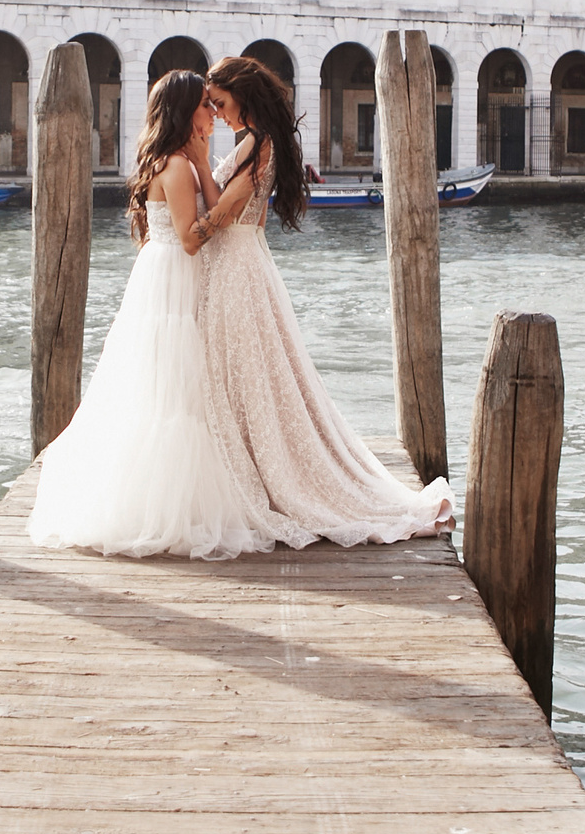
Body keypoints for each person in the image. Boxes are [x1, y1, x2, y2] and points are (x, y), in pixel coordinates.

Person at [29, 70, 301, 561]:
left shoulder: (186, 163)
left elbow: (213, 219)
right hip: (174, 275)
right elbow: (194, 239)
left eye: (214, 103)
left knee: (184, 390)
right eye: (203, 105)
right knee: (174, 392)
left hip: (173, 272)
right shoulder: (176, 168)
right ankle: (166, 505)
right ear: (183, 113)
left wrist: (205, 167)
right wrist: (201, 168)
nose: (212, 113)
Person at [191, 55, 451, 544]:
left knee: (241, 374)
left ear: (244, 96)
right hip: (245, 262)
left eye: (221, 103)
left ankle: (257, 476)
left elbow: (224, 215)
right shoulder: (260, 142)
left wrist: (184, 228)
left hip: (236, 265)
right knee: (248, 374)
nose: (218, 113)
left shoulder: (254, 144)